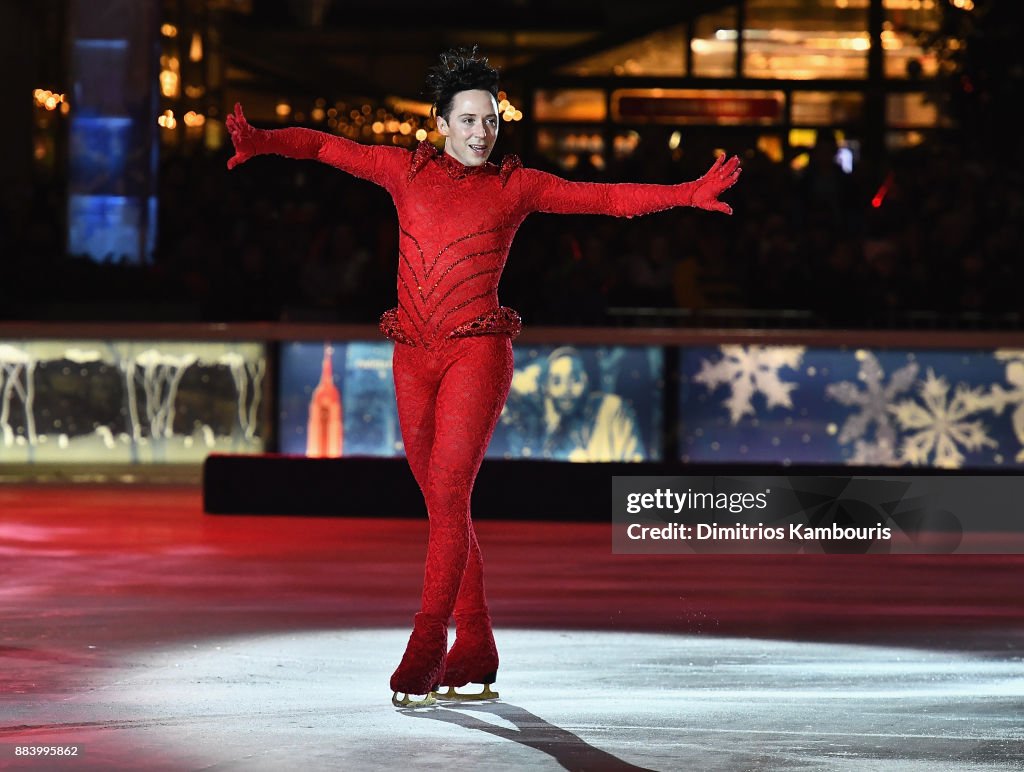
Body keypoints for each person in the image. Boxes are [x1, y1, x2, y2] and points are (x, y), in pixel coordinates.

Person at [226, 46, 740, 707]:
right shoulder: (402, 171)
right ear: (440, 123)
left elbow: (607, 198)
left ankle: (426, 643)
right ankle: (476, 643)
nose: (481, 133)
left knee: (447, 489)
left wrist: (685, 194)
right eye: (468, 120)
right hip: (411, 353)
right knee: (444, 506)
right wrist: (263, 139)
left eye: (490, 121)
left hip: (478, 352)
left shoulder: (514, 186)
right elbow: (326, 149)